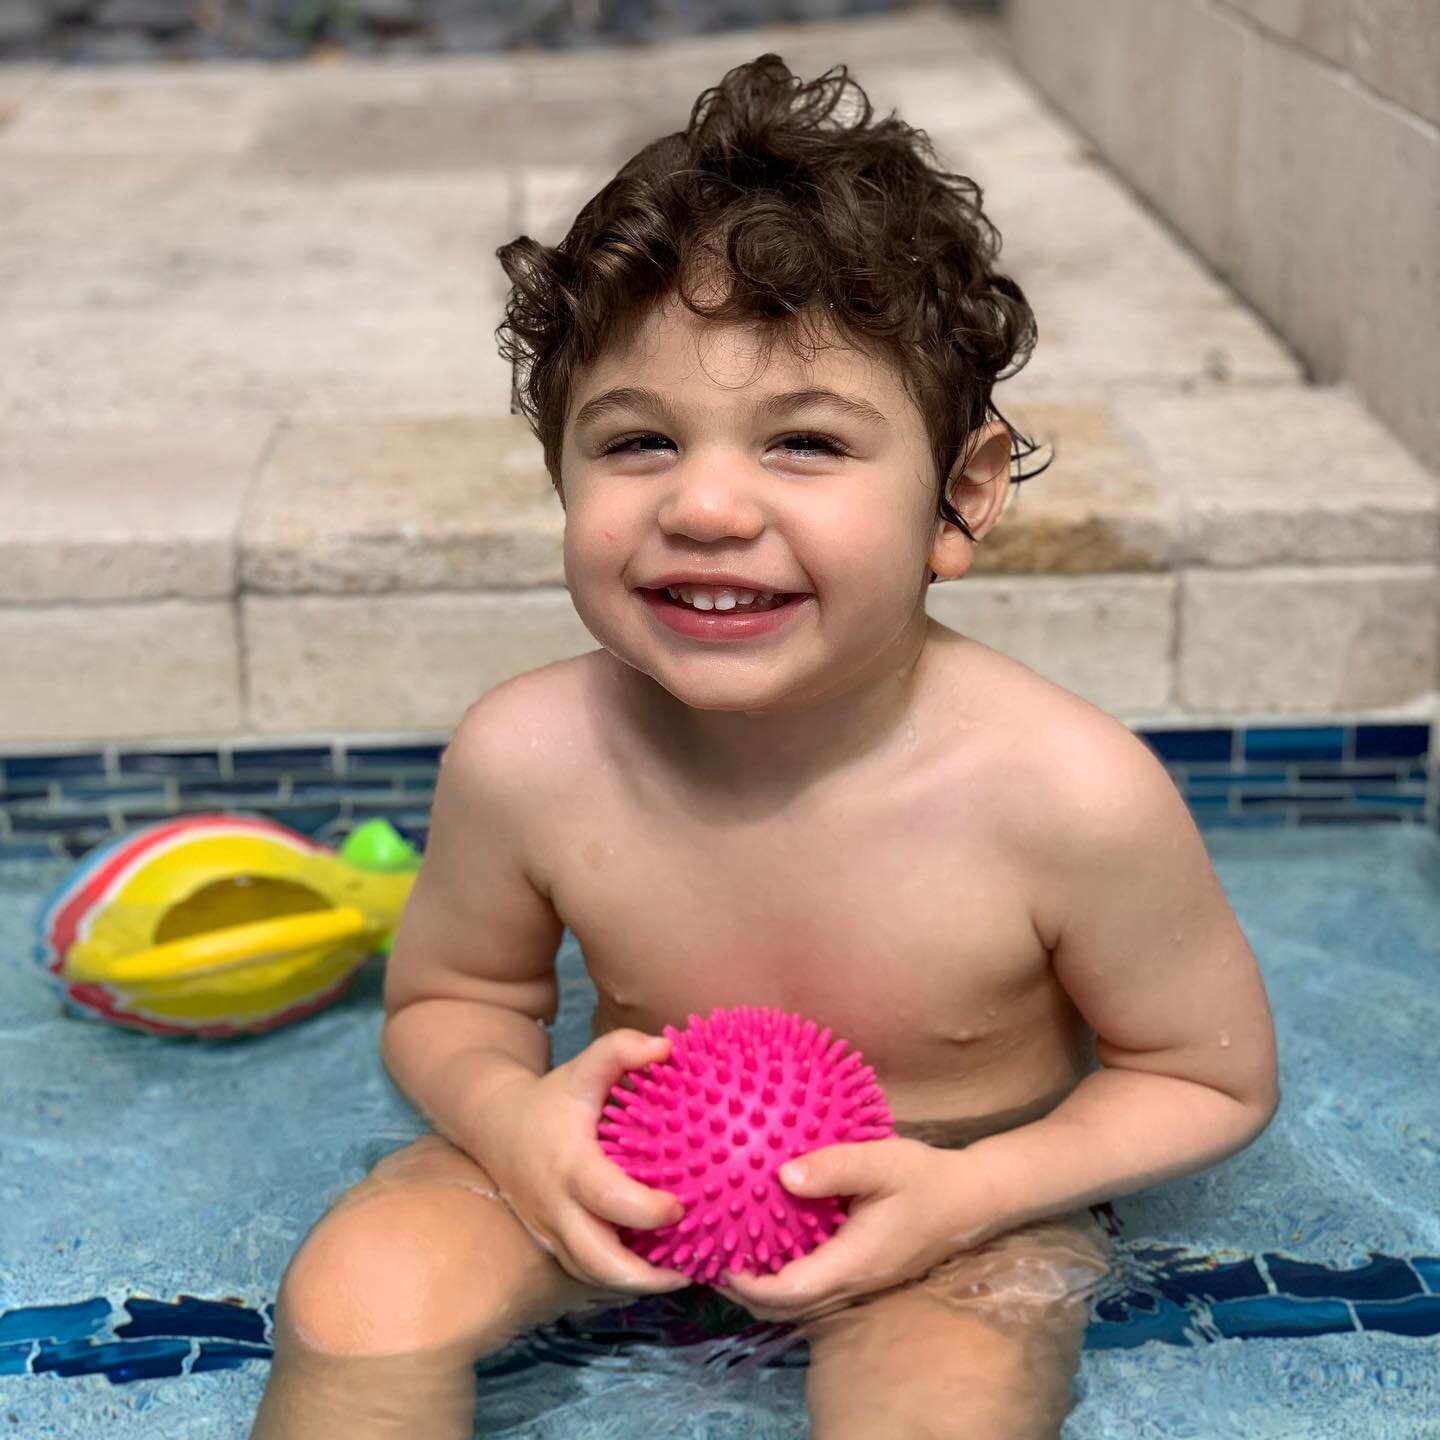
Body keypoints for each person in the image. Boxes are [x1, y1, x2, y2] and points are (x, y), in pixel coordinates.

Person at [250, 53, 1278, 1440]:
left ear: (958, 503)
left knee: (939, 1406)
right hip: (617, 1173)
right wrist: (517, 1128)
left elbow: (1205, 1075)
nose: (709, 506)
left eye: (802, 442)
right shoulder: (529, 758)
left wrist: (969, 1196)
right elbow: (450, 1007)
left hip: (950, 1202)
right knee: (356, 1296)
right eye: (637, 444)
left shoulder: (1064, 795)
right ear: (557, 472)